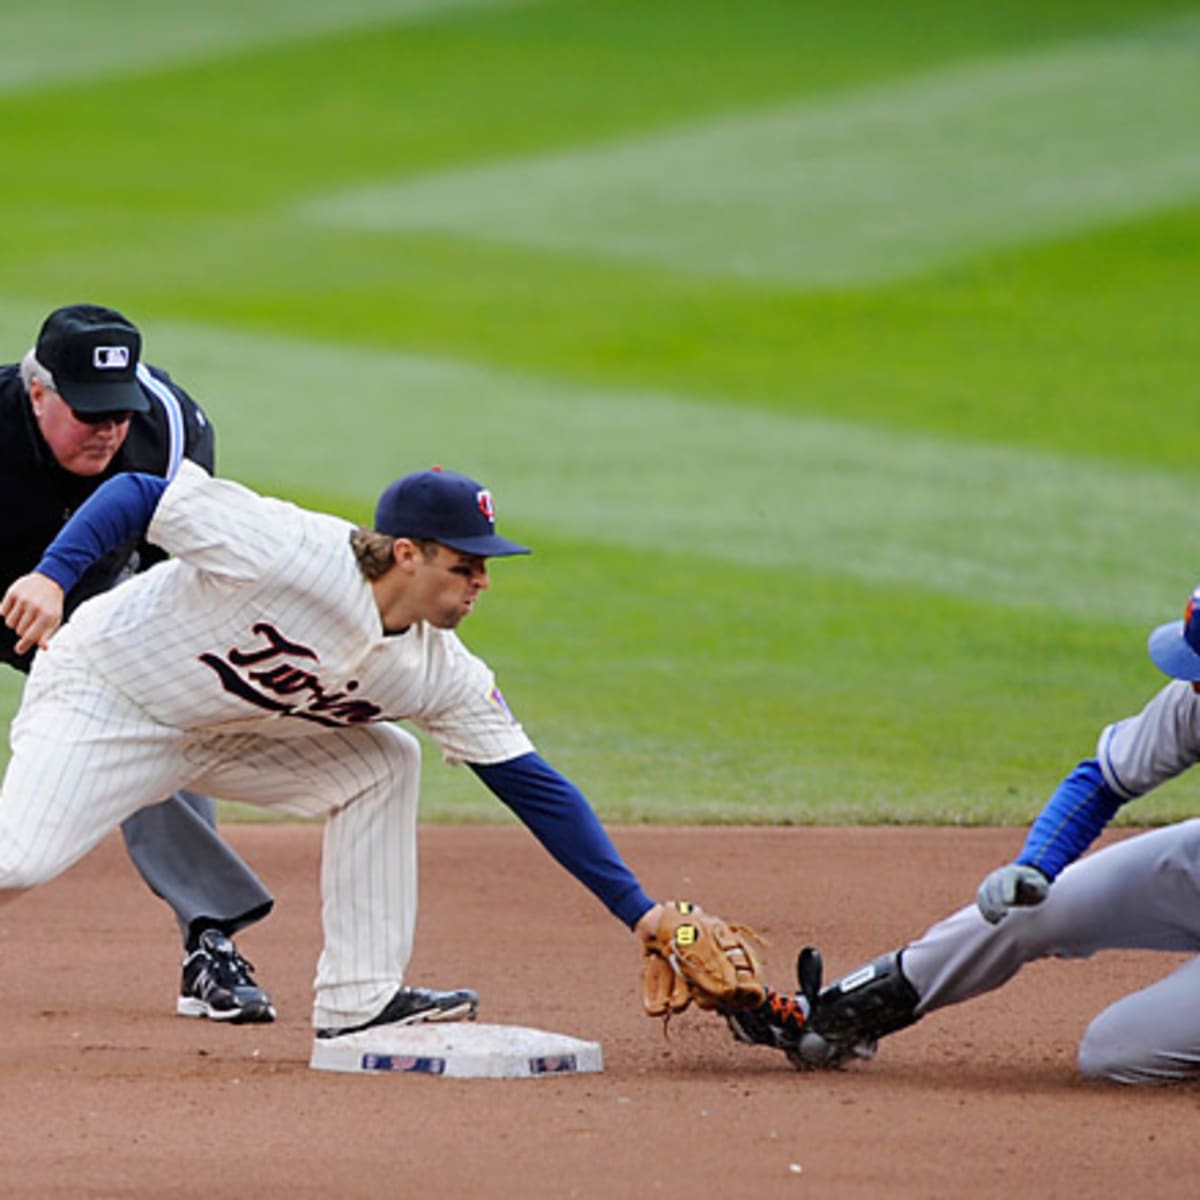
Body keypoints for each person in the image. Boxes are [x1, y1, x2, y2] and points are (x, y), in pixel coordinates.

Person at [0, 459, 704, 1037]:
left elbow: (534, 787)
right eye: (466, 565)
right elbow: (140, 493)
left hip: (218, 737)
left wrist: (639, 910)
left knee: (385, 762)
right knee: (19, 861)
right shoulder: (291, 549)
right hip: (107, 697)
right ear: (407, 553)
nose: (482, 582)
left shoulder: (441, 671)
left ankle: (359, 999)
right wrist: (51, 577)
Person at [729, 582, 1200, 1084]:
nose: (1192, 684)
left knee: (1115, 1055)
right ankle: (835, 1017)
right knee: (1027, 911)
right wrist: (1036, 862)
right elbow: (1102, 781)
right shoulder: (1193, 699)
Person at [0, 303, 275, 1024]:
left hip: (99, 606)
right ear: (37, 392)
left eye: (118, 412)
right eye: (88, 412)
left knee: (161, 709)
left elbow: (179, 580)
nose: (109, 429)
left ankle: (210, 937)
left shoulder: (171, 430)